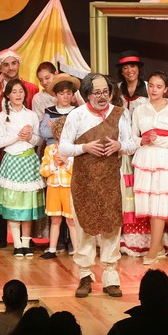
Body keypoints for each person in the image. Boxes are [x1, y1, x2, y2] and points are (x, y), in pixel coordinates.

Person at [59, 73, 137, 298]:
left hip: (111, 180)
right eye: (97, 92)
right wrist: (85, 148)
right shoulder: (77, 115)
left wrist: (119, 145)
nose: (102, 97)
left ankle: (111, 276)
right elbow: (63, 148)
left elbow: (132, 144)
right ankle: (85, 275)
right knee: (84, 225)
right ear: (87, 95)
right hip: (84, 181)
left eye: (106, 92)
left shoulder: (121, 114)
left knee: (112, 224)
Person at [130, 71, 168, 262]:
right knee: (150, 204)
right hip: (146, 160)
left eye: (158, 86)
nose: (154, 90)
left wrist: (157, 139)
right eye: (151, 85)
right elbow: (132, 137)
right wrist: (142, 140)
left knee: (161, 204)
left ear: (165, 89)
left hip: (166, 161)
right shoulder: (139, 110)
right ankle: (158, 246)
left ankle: (153, 250)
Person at [0, 79, 45, 258]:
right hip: (12, 161)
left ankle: (26, 243)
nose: (18, 95)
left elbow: (39, 140)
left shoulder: (31, 115)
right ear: (8, 94)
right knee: (13, 203)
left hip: (29, 160)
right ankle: (16, 244)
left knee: (27, 204)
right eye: (14, 91)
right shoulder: (1, 116)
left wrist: (29, 137)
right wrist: (17, 136)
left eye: (20, 91)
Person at [40, 117, 76, 259]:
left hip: (68, 188)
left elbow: (76, 172)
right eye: (61, 131)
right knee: (55, 219)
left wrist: (66, 162)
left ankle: (77, 250)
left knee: (71, 220)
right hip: (54, 188)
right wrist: (55, 163)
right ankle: (52, 249)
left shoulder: (73, 150)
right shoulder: (49, 150)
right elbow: (43, 171)